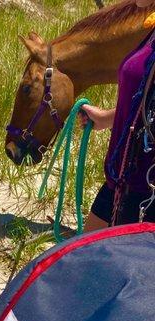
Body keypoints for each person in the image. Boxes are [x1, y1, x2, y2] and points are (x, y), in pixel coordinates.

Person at [81, 0, 155, 231]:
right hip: (123, 178)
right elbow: (146, 101)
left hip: (144, 190)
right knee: (90, 256)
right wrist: (108, 118)